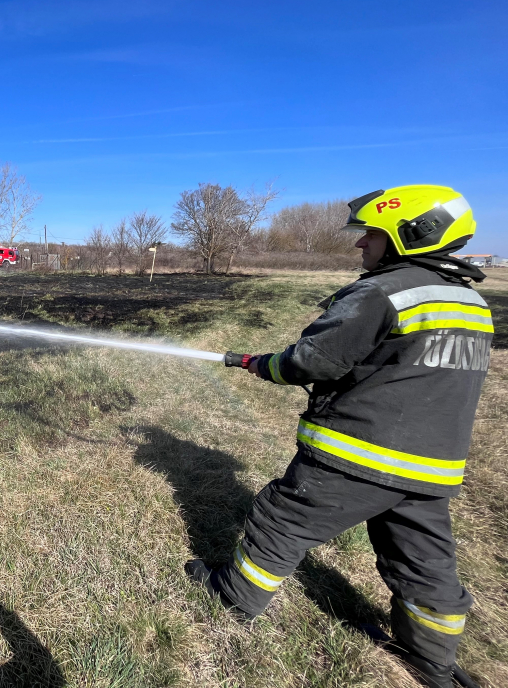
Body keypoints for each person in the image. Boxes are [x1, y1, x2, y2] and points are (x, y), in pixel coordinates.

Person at [185, 185, 492, 688]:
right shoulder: (469, 302)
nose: (360, 245)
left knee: (282, 518)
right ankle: (432, 659)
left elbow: (313, 360)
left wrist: (262, 364)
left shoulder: (385, 291)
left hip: (363, 452)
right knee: (422, 558)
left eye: (371, 234)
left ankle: (235, 597)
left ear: (412, 234)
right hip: (433, 465)